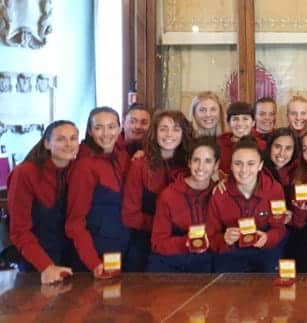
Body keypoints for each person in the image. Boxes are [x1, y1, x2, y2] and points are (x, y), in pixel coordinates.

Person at [121, 110, 193, 271]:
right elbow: (130, 216)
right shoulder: (139, 165)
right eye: (163, 129)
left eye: (176, 129)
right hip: (144, 244)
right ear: (155, 133)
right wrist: (163, 226)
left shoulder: (190, 165)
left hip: (183, 243)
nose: (169, 134)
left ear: (183, 133)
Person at [8, 121, 78, 284]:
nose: (68, 144)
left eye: (73, 138)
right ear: (47, 143)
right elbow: (19, 231)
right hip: (36, 262)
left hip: (71, 259)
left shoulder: (77, 169)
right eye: (60, 139)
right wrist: (46, 266)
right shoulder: (25, 173)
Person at [66, 107, 130, 277]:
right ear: (89, 131)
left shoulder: (123, 156)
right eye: (98, 127)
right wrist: (93, 262)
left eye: (111, 127)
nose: (106, 133)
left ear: (120, 128)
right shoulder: (84, 167)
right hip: (96, 252)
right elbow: (75, 223)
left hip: (123, 245)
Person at [207, 137, 287, 273]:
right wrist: (224, 239)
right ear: (231, 165)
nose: (244, 170)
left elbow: (279, 228)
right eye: (238, 163)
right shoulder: (220, 193)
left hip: (264, 249)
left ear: (260, 165)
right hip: (232, 250)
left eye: (251, 164)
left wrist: (268, 238)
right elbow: (211, 235)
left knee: (270, 278)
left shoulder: (274, 189)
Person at [147, 137, 218, 273]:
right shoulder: (168, 195)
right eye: (196, 160)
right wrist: (186, 243)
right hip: (172, 260)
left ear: (216, 165)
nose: (201, 167)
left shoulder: (219, 193)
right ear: (189, 162)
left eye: (208, 161)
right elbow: (157, 243)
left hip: (206, 260)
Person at [218, 102, 254, 174]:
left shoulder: (262, 146)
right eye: (235, 119)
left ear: (253, 123)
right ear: (228, 123)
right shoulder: (218, 145)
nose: (240, 123)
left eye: (245, 119)